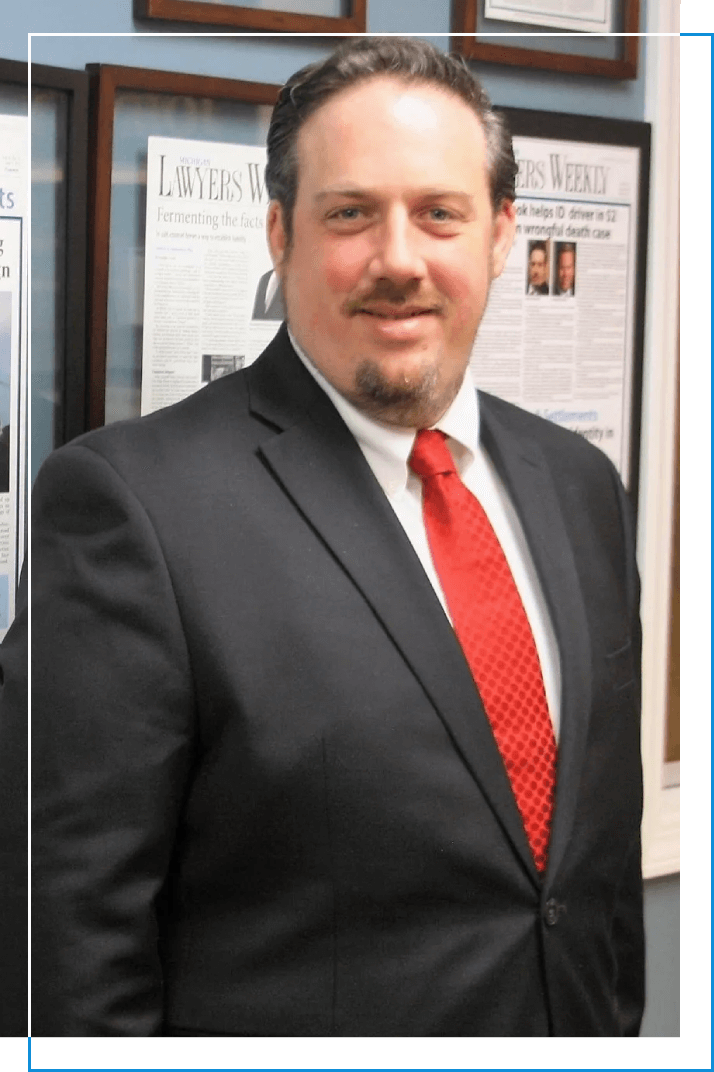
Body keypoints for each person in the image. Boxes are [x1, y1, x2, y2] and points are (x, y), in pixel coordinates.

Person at [20, 37, 643, 1038]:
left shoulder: (580, 490)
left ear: (500, 234)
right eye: (351, 213)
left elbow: (586, 880)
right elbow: (63, 944)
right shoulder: (134, 509)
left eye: (440, 212)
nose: (399, 259)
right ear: (281, 232)